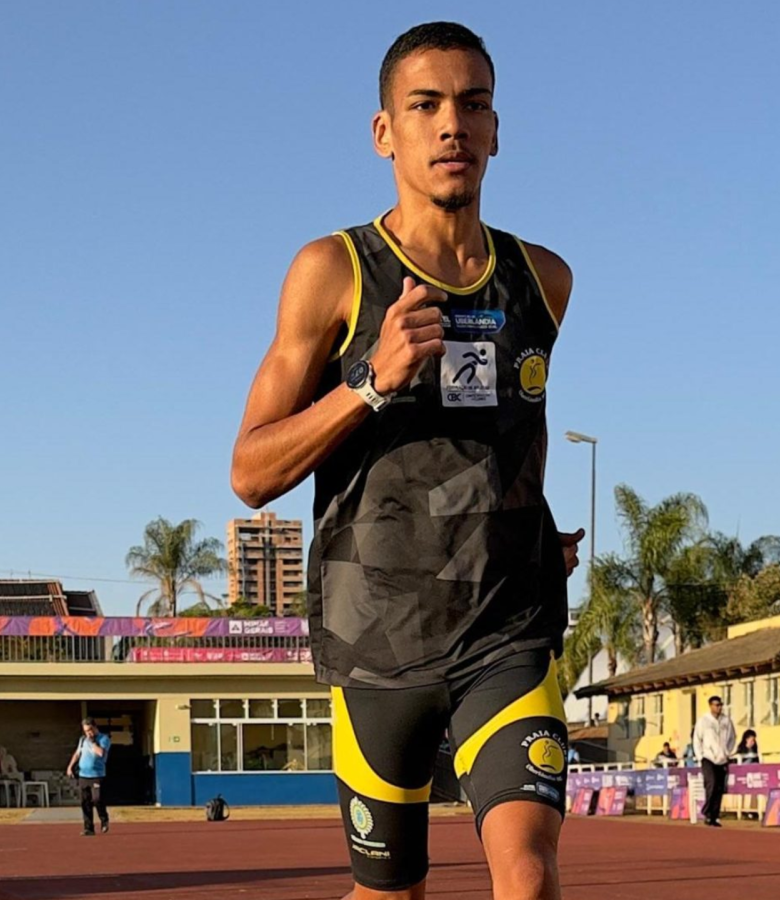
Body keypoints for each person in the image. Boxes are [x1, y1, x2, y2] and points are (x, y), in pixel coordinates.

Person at [231, 22, 580, 900]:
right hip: (376, 639)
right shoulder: (332, 272)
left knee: (528, 877)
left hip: (507, 631)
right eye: (425, 106)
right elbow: (251, 471)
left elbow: (507, 433)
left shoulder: (544, 279)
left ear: (498, 130)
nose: (451, 125)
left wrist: (534, 530)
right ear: (386, 132)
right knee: (391, 894)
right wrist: (369, 381)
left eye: (473, 104)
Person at [692, 696, 735, 827]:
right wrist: (700, 756)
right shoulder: (703, 721)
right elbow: (696, 739)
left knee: (719, 788)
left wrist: (727, 752)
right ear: (710, 706)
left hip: (722, 759)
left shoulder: (726, 721)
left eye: (720, 705)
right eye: (716, 705)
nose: (719, 707)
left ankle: (714, 816)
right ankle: (707, 811)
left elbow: (732, 737)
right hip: (708, 758)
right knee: (711, 783)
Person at [66, 717, 111, 836]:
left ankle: (104, 819)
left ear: (95, 727)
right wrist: (70, 766)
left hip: (97, 775)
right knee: (85, 802)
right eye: (86, 731)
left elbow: (100, 753)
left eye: (90, 730)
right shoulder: (82, 740)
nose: (88, 733)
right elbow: (77, 754)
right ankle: (88, 828)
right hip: (83, 775)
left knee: (97, 799)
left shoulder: (104, 739)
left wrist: (92, 742)